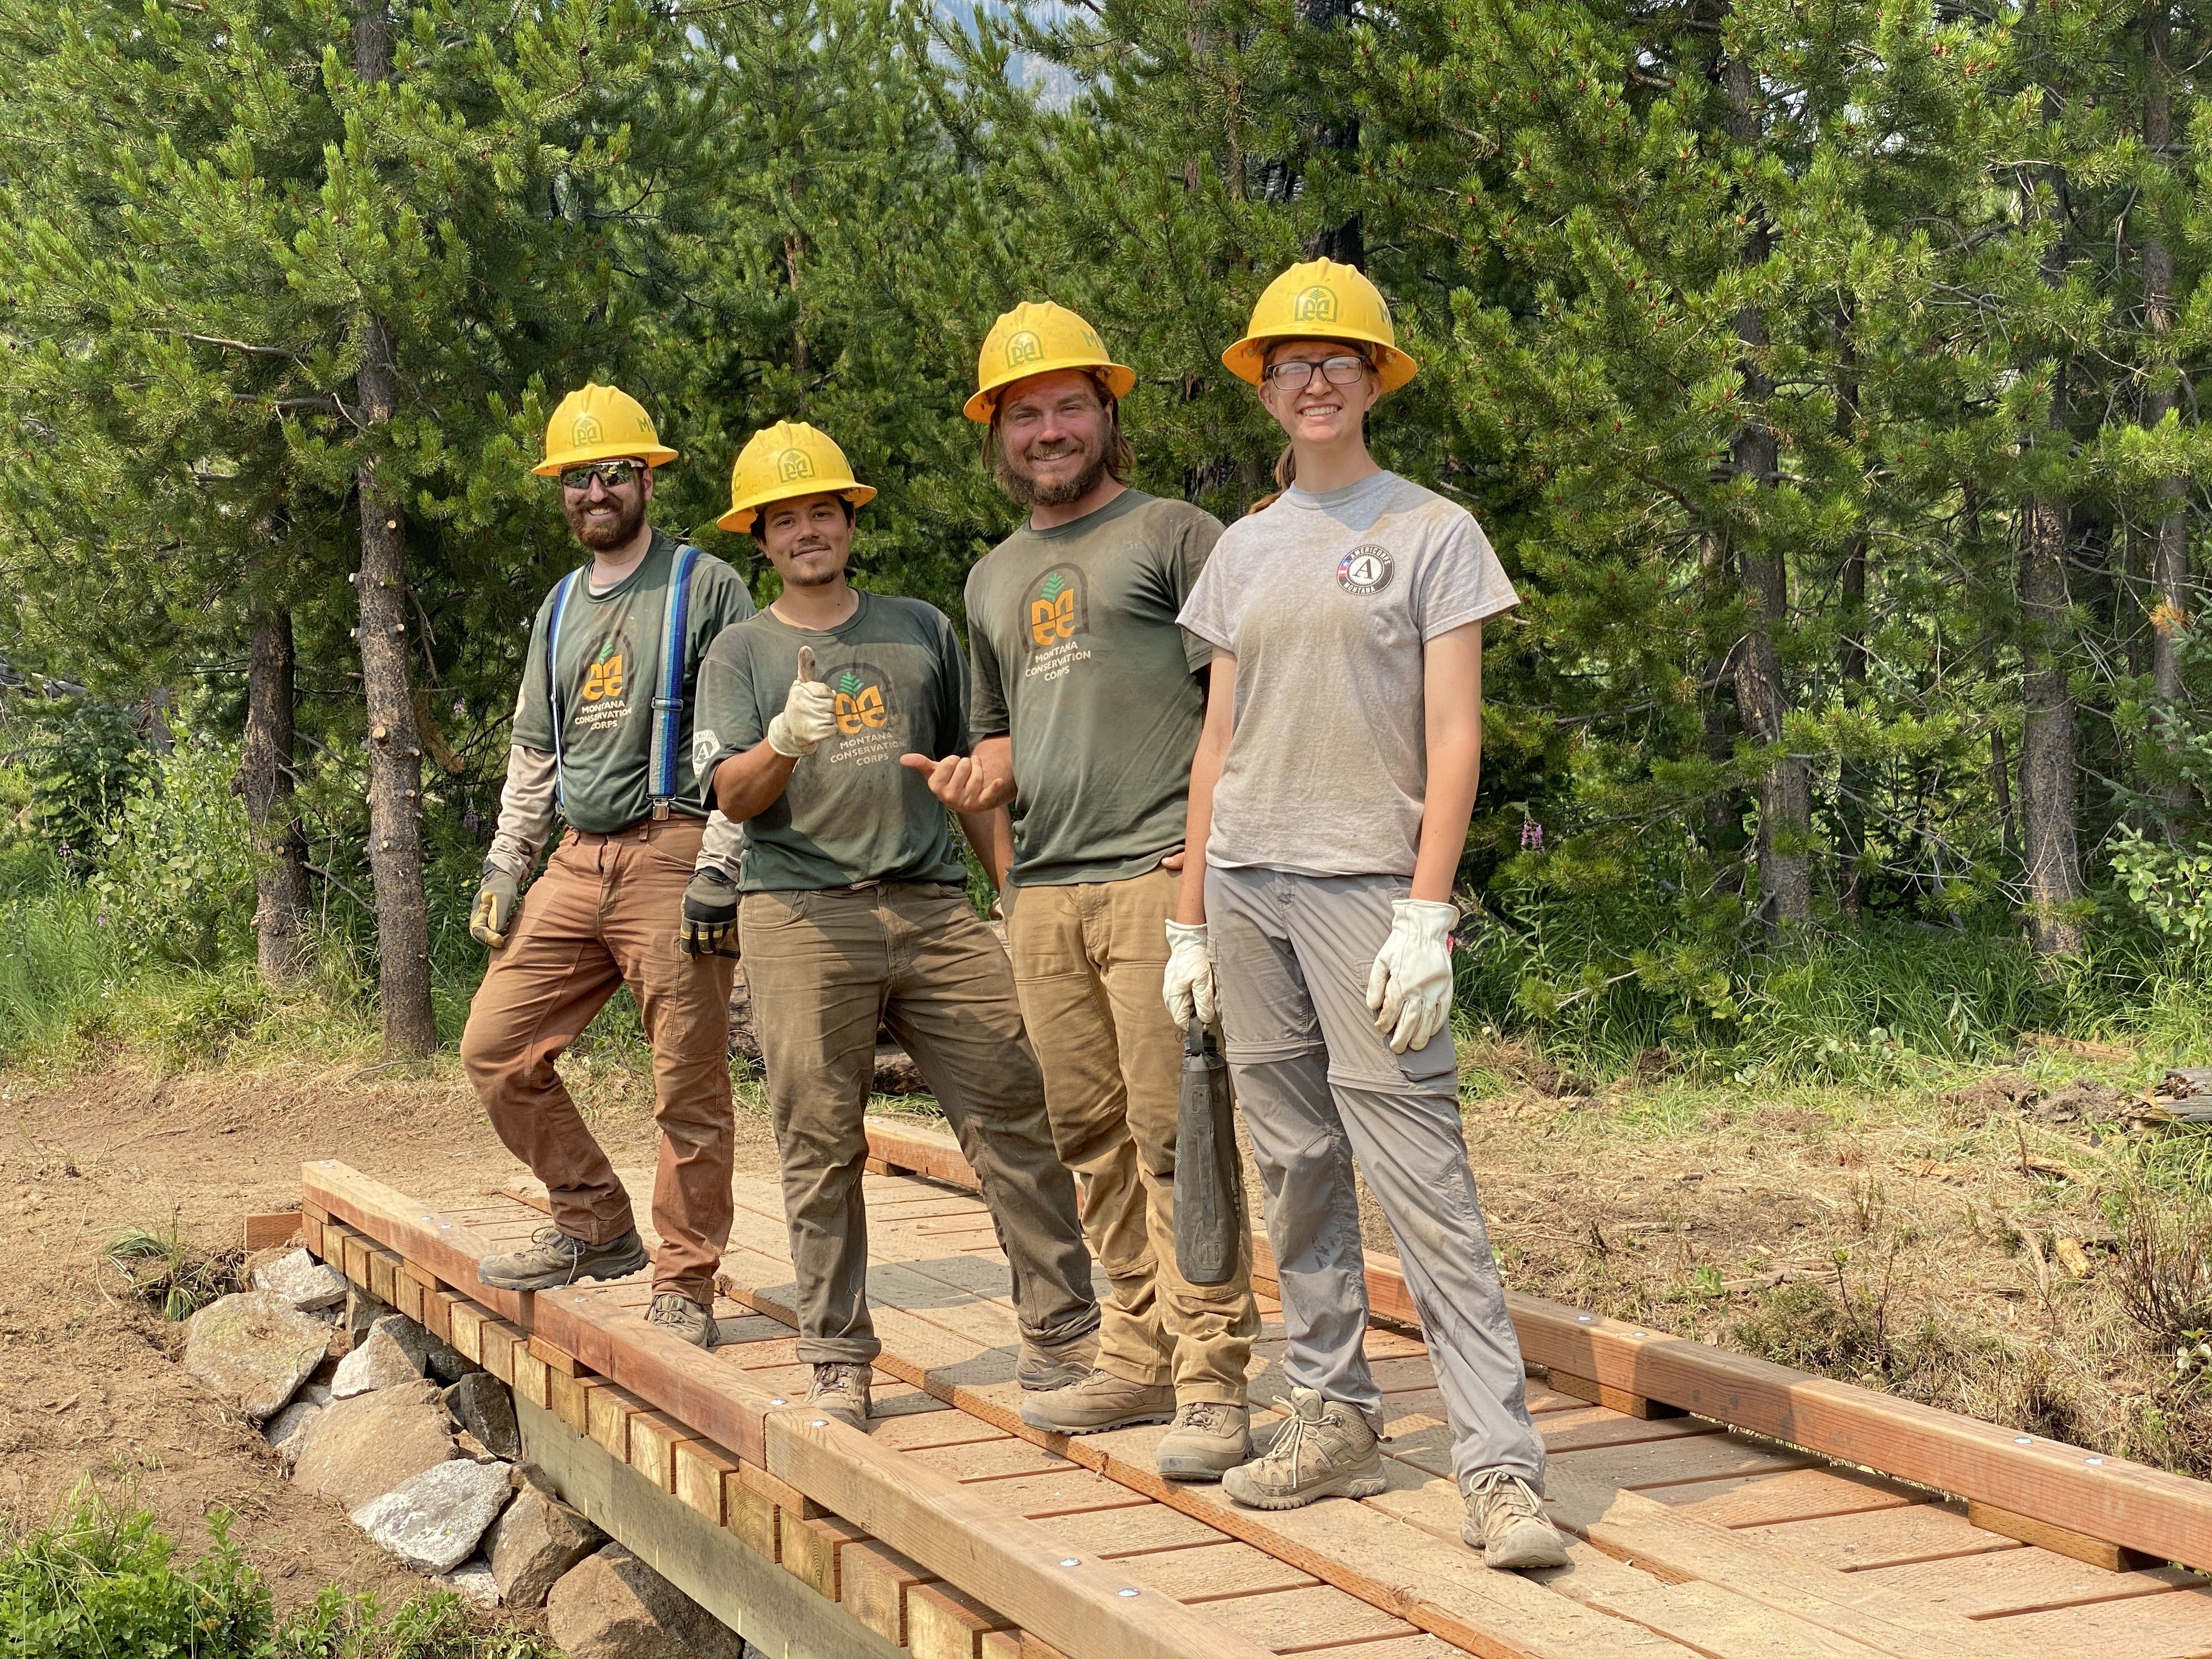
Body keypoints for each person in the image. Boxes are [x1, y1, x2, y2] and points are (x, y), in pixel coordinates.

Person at [1166, 262, 1568, 1570]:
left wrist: (1428, 912)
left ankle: (1500, 1469)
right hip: (1246, 891)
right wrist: (1187, 920)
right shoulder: (1242, 548)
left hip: (1364, 896)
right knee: (1292, 1166)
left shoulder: (1433, 533)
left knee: (1423, 1178)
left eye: (1339, 359)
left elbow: (1456, 736)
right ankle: (1332, 1411)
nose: (1315, 377)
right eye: (1290, 361)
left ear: (1376, 378)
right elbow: (1217, 740)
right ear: (1266, 388)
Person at [907, 302, 1260, 1480]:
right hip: (1046, 895)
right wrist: (974, 777)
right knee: (1088, 1134)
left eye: (1068, 407)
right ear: (997, 436)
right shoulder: (991, 580)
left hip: (1156, 876)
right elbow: (1011, 741)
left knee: (1180, 1136)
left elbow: (1236, 707)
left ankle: (1213, 1378)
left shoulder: (1174, 534)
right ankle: (1135, 1345)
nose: (1048, 430)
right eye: (1024, 414)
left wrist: (1207, 859)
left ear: (1108, 415)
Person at [695, 420, 1100, 1431]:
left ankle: (1062, 1332)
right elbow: (734, 796)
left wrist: (1011, 892)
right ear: (760, 538)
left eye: (821, 511)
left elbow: (972, 775)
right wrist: (785, 742)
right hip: (799, 916)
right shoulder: (740, 650)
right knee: (819, 1140)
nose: (806, 532)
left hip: (930, 904)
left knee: (1015, 1107)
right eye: (783, 520)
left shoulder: (919, 626)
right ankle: (837, 1355)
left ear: (848, 519)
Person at [460, 383, 755, 1348]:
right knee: (497, 1049)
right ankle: (595, 1224)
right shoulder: (556, 608)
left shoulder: (702, 586)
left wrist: (723, 862)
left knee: (688, 1083)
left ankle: (686, 1283)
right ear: (562, 492)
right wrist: (509, 863)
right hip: (576, 861)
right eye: (579, 477)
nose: (597, 490)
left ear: (648, 479)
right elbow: (534, 753)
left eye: (615, 472)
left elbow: (745, 744)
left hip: (675, 848)